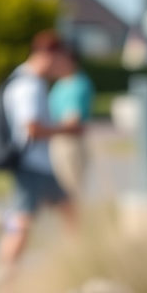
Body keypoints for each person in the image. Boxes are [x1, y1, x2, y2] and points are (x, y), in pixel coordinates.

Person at [0, 31, 81, 268]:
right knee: (21, 225)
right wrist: (66, 130)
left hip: (39, 164)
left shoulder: (26, 80)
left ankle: (74, 264)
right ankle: (3, 281)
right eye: (63, 57)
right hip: (31, 163)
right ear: (50, 55)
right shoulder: (29, 85)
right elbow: (31, 128)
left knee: (69, 210)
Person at [47, 50, 95, 203]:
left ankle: (73, 228)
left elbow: (73, 121)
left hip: (69, 143)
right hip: (58, 140)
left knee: (69, 193)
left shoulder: (78, 85)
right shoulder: (62, 83)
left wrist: (41, 130)